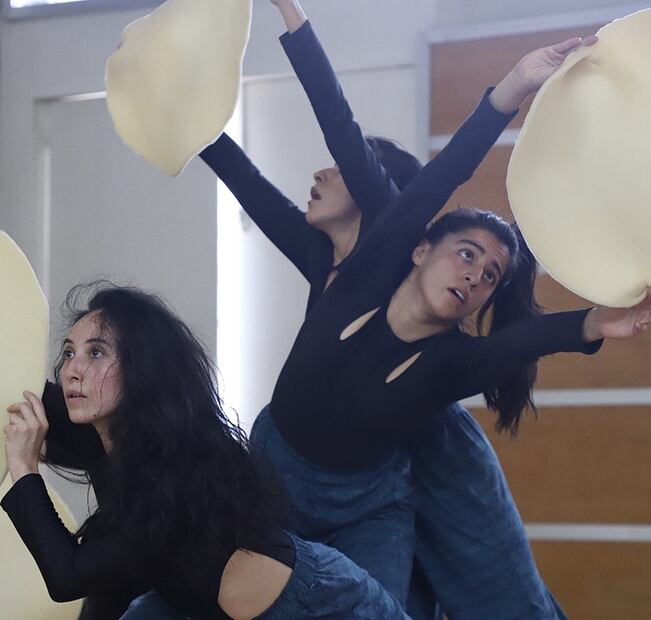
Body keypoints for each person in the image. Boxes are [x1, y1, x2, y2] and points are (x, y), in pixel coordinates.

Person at [197, 2, 601, 616]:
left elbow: (348, 128)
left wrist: (514, 86)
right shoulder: (324, 255)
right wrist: (182, 117)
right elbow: (247, 181)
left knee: (481, 581)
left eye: (342, 171)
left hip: (415, 430)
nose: (321, 174)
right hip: (333, 443)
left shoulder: (395, 236)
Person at [0, 283, 414, 619]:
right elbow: (7, 394)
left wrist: (24, 465)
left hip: (318, 605)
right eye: (69, 352)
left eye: (97, 352)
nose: (73, 369)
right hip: (196, 605)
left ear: (142, 367)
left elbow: (67, 576)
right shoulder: (104, 435)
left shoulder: (172, 468)